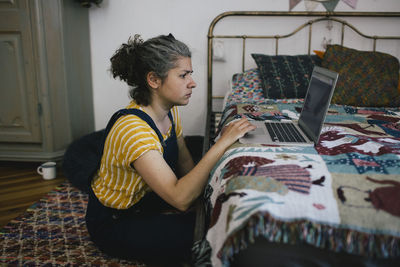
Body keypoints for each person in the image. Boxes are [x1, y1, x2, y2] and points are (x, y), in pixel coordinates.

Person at [85, 34, 255, 265]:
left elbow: (184, 159)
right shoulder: (134, 130)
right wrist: (223, 142)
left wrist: (205, 201)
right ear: (154, 80)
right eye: (183, 75)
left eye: (190, 74)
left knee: (220, 219)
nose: (192, 82)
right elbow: (180, 199)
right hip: (115, 221)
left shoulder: (169, 111)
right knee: (214, 239)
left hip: (146, 202)